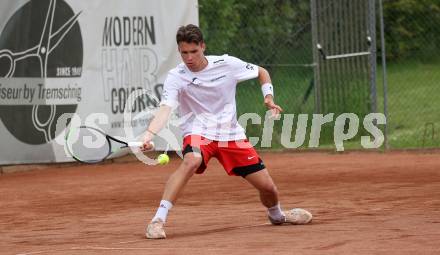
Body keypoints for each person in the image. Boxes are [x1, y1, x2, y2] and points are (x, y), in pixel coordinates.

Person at [142, 24, 312, 239]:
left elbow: (262, 72)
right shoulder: (176, 76)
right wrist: (149, 134)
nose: (189, 58)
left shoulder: (227, 64)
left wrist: (268, 97)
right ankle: (157, 220)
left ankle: (277, 215)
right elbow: (165, 109)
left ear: (203, 47)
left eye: (194, 51)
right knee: (191, 161)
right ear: (179, 51)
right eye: (184, 53)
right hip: (198, 132)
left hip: (231, 135)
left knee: (268, 188)